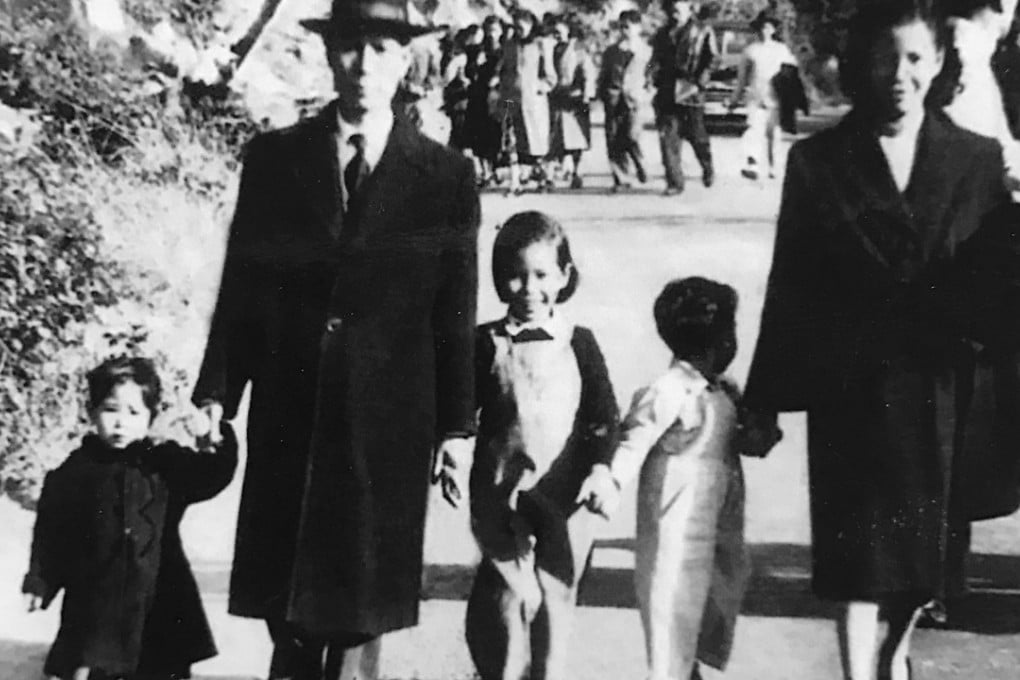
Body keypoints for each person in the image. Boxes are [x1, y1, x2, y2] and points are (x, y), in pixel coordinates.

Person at [191, 0, 481, 677]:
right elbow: (244, 283)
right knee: (284, 600)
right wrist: (217, 391)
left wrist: (456, 430)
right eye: (350, 46)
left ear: (406, 59)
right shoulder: (276, 159)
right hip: (290, 408)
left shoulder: (445, 176)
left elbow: (454, 314)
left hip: (384, 424)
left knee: (359, 608)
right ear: (328, 54)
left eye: (381, 49)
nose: (363, 65)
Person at [742, 2, 1012, 679]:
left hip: (943, 398)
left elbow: (1000, 285)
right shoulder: (818, 163)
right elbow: (792, 283)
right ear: (859, 63)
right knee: (857, 567)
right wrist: (766, 398)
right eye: (885, 57)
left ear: (940, 63)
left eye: (916, 57)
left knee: (921, 573)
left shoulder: (976, 161)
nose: (900, 73)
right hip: (852, 394)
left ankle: (889, 664)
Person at [465, 211, 619, 680]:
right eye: (515, 276)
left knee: (554, 595)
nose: (529, 289)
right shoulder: (484, 343)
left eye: (541, 275)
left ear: (564, 276)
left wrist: (600, 468)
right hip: (500, 490)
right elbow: (459, 412)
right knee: (504, 594)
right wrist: (449, 450)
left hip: (563, 497)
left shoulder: (580, 343)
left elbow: (602, 416)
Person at [580, 278, 754, 680]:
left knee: (713, 605)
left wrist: (759, 426)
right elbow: (633, 441)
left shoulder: (724, 393)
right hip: (674, 531)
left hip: (720, 528)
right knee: (671, 611)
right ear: (718, 341)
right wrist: (611, 480)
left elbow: (748, 440)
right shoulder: (666, 391)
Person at [23, 356, 237, 680]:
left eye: (134, 412)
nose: (121, 422)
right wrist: (40, 581)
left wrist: (214, 437)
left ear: (150, 417)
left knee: (161, 667)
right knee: (87, 665)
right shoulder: (74, 472)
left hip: (160, 597)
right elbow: (52, 533)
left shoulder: (163, 463)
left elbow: (211, 476)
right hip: (96, 598)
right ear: (92, 411)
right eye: (111, 409)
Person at [648, 0, 718, 195]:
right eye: (672, 10)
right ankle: (675, 182)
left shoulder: (703, 31)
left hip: (691, 89)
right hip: (667, 90)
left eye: (679, 10)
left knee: (697, 136)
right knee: (668, 138)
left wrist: (700, 82)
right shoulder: (662, 33)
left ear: (689, 10)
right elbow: (654, 59)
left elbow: (712, 59)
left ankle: (707, 166)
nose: (675, 14)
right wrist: (649, 76)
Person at [730, 10, 798, 180]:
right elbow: (742, 79)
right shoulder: (750, 51)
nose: (764, 30)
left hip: (776, 98)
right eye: (761, 27)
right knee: (754, 130)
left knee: (773, 133)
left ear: (773, 29)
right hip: (756, 97)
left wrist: (792, 96)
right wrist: (735, 98)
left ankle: (774, 166)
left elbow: (792, 73)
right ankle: (752, 164)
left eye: (768, 27)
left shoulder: (781, 50)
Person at [499, 9, 557, 194]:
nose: (518, 30)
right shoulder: (509, 45)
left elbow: (550, 76)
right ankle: (515, 182)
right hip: (511, 98)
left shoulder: (540, 45)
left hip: (534, 102)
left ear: (531, 25)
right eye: (515, 26)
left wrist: (541, 87)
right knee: (511, 138)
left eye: (522, 27)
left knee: (536, 141)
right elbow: (504, 70)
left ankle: (543, 178)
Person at [597, 10, 649, 190]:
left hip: (635, 99)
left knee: (631, 136)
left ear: (638, 27)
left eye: (628, 27)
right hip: (613, 98)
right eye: (622, 27)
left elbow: (653, 73)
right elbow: (604, 74)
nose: (624, 31)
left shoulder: (646, 52)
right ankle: (621, 178)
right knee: (613, 138)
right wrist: (601, 94)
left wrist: (647, 90)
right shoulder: (611, 51)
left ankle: (639, 161)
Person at [549, 16, 596, 188]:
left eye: (559, 32)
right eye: (554, 32)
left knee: (577, 138)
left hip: (575, 100)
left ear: (568, 32)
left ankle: (577, 171)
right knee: (558, 137)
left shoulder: (578, 51)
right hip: (556, 98)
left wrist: (586, 95)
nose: (556, 36)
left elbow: (588, 74)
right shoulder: (552, 49)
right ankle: (559, 170)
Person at [466, 15, 505, 187]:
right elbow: (468, 72)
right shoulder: (476, 50)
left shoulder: (505, 50)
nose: (491, 35)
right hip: (478, 95)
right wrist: (475, 62)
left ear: (501, 32)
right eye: (488, 31)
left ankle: (496, 168)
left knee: (498, 130)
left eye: (495, 31)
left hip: (499, 96)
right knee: (479, 133)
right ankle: (485, 170)